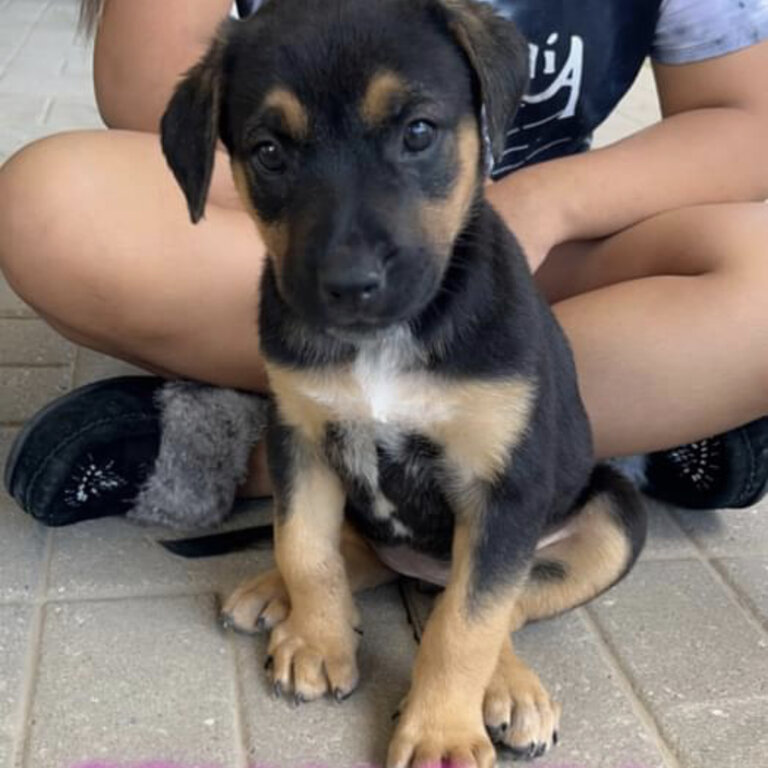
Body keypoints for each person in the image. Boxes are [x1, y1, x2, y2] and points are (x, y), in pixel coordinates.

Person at [1, 0, 767, 527]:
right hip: (302, 276)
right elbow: (147, 104)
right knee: (50, 206)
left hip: (538, 264)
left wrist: (548, 202)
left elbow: (747, 124)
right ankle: (615, 438)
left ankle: (283, 453)